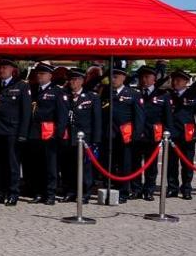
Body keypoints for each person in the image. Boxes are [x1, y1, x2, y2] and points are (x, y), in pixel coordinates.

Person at [0, 60, 33, 205]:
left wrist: (23, 133)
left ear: (12, 69)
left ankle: (13, 193)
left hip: (12, 131)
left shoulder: (21, 85)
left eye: (5, 68)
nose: (2, 70)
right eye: (0, 68)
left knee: (12, 164)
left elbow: (26, 112)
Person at [25, 63, 67, 205]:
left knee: (50, 166)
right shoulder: (33, 90)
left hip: (50, 133)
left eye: (43, 74)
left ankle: (50, 194)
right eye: (38, 74)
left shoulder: (57, 92)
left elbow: (62, 115)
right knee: (36, 165)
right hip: (35, 133)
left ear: (50, 76)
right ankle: (38, 192)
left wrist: (58, 134)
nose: (39, 76)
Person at [161, 70, 196, 201]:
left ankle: (186, 188)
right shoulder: (167, 96)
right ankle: (172, 188)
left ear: (186, 82)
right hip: (171, 134)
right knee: (171, 164)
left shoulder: (194, 96)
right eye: (174, 80)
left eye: (179, 80)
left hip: (187, 135)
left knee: (187, 164)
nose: (175, 82)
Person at [100, 68, 143, 200]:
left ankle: (124, 192)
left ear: (124, 78)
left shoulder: (133, 94)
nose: (113, 79)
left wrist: (136, 134)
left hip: (125, 135)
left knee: (125, 164)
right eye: (112, 77)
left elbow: (139, 117)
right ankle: (109, 188)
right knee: (109, 164)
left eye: (116, 77)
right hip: (109, 134)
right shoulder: (106, 92)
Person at [60, 69, 98, 203]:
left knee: (85, 168)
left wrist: (95, 141)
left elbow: (96, 120)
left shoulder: (91, 97)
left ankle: (85, 192)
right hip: (68, 137)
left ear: (82, 81)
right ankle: (71, 191)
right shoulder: (65, 95)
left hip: (85, 139)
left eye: (76, 79)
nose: (73, 82)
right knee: (69, 166)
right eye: (71, 79)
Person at [132, 65, 169, 201]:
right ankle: (136, 189)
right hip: (136, 134)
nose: (144, 80)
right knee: (135, 164)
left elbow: (167, 117)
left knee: (151, 165)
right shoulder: (135, 94)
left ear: (154, 79)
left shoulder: (162, 95)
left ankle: (149, 190)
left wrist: (167, 133)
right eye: (142, 77)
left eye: (147, 77)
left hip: (153, 135)